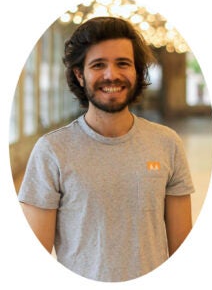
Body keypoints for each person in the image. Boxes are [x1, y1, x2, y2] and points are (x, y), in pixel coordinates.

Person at [18, 16, 194, 282]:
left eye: (123, 63)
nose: (111, 75)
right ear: (79, 74)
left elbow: (183, 252)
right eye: (98, 65)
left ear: (137, 71)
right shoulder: (51, 151)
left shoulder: (167, 143)